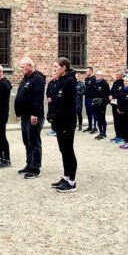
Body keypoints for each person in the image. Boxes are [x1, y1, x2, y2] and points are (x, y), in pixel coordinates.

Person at [48, 57, 78, 193]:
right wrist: (51, 115)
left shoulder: (69, 81)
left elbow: (65, 104)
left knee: (68, 151)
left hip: (66, 122)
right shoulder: (59, 81)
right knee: (63, 150)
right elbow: (54, 100)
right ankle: (66, 177)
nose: (54, 69)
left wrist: (55, 116)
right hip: (59, 121)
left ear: (64, 67)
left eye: (56, 67)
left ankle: (72, 181)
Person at [14, 57, 46, 179]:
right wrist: (18, 112)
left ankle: (35, 168)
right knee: (27, 141)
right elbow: (21, 95)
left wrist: (35, 114)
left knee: (34, 142)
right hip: (25, 115)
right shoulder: (26, 78)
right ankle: (29, 163)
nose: (21, 69)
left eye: (23, 67)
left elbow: (38, 98)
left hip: (33, 116)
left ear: (30, 66)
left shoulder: (37, 78)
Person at [91, 70, 110, 139]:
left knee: (102, 118)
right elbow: (93, 93)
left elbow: (108, 94)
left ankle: (104, 133)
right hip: (96, 102)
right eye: (96, 75)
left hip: (102, 103)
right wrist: (93, 101)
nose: (97, 76)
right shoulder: (94, 83)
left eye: (99, 75)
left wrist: (105, 103)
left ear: (102, 76)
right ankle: (100, 132)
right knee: (97, 118)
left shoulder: (105, 83)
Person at [109, 70, 125, 141]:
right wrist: (110, 95)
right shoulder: (115, 82)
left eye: (119, 75)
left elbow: (122, 93)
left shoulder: (124, 82)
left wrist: (114, 95)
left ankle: (122, 136)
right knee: (115, 120)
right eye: (116, 74)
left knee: (121, 120)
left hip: (121, 104)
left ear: (122, 75)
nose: (117, 76)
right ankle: (117, 135)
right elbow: (111, 91)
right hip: (114, 104)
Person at [46, 68, 59, 136]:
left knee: (56, 116)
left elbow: (57, 93)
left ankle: (57, 130)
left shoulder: (59, 82)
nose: (53, 76)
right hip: (50, 103)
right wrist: (48, 97)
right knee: (51, 116)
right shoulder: (50, 83)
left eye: (55, 74)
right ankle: (53, 129)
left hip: (56, 102)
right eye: (52, 75)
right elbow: (47, 92)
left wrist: (53, 98)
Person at [84, 66, 97, 132]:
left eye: (87, 71)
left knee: (93, 113)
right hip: (86, 98)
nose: (86, 72)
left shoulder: (94, 79)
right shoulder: (86, 79)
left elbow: (95, 90)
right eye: (86, 71)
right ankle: (90, 126)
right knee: (88, 113)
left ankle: (95, 127)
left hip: (92, 99)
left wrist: (94, 99)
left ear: (91, 71)